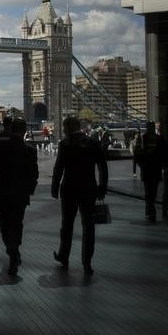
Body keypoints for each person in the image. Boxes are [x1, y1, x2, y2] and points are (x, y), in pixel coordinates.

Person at [51, 116, 108, 275]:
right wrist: (102, 187)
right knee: (88, 226)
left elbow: (58, 168)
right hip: (89, 189)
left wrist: (54, 188)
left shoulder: (65, 144)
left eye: (64, 128)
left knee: (67, 225)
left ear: (69, 128)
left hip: (69, 189)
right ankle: (87, 262)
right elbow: (103, 167)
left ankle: (64, 256)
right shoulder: (93, 143)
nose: (63, 130)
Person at [0, 117, 38, 274]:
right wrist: (30, 189)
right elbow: (34, 174)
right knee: (17, 222)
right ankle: (14, 249)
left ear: (11, 129)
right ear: (25, 130)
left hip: (1, 191)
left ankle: (11, 250)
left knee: (3, 222)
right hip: (20, 193)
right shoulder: (30, 150)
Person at [134, 121, 165, 222]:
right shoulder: (159, 139)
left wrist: (142, 165)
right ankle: (151, 211)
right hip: (155, 170)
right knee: (153, 192)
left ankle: (149, 211)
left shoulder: (142, 138)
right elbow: (162, 155)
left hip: (147, 170)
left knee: (148, 192)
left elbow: (137, 154)